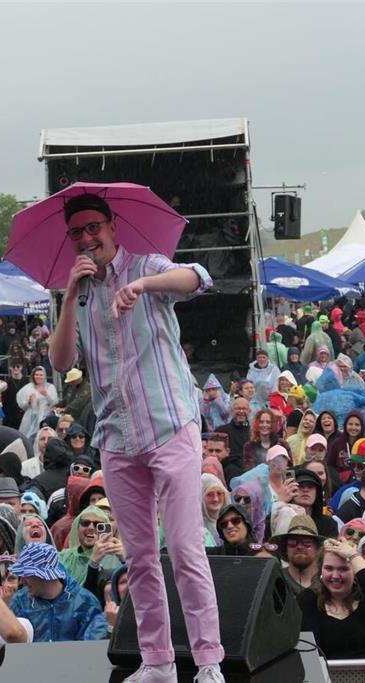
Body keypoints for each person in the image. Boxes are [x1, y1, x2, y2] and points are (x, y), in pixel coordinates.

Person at [48, 192, 224, 682]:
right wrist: (67, 298)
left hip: (170, 426)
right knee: (141, 557)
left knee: (186, 549)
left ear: (111, 228)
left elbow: (199, 278)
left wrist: (144, 285)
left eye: (93, 228)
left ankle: (209, 663)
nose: (86, 238)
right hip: (117, 438)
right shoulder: (78, 293)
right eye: (76, 232)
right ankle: (159, 663)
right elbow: (61, 362)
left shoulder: (146, 265)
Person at [297, 538, 365, 659]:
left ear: (355, 571)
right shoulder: (307, 600)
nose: (335, 576)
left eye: (343, 569)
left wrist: (353, 555)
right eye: (329, 569)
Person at [8, 541, 107, 642]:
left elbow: (91, 649)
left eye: (26, 575)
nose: (22, 581)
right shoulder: (19, 602)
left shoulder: (85, 602)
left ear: (44, 575)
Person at [272, 514, 321, 595]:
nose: (299, 546)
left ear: (317, 548)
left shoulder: (328, 581)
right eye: (292, 542)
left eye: (307, 542)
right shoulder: (276, 580)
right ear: (285, 548)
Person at [16, 367, 59, 441]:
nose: (38, 377)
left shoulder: (50, 387)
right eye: (37, 375)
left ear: (44, 376)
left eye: (41, 375)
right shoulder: (28, 388)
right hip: (30, 417)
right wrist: (28, 401)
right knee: (28, 437)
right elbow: (22, 404)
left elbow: (54, 402)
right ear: (33, 376)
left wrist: (46, 395)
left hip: (45, 416)